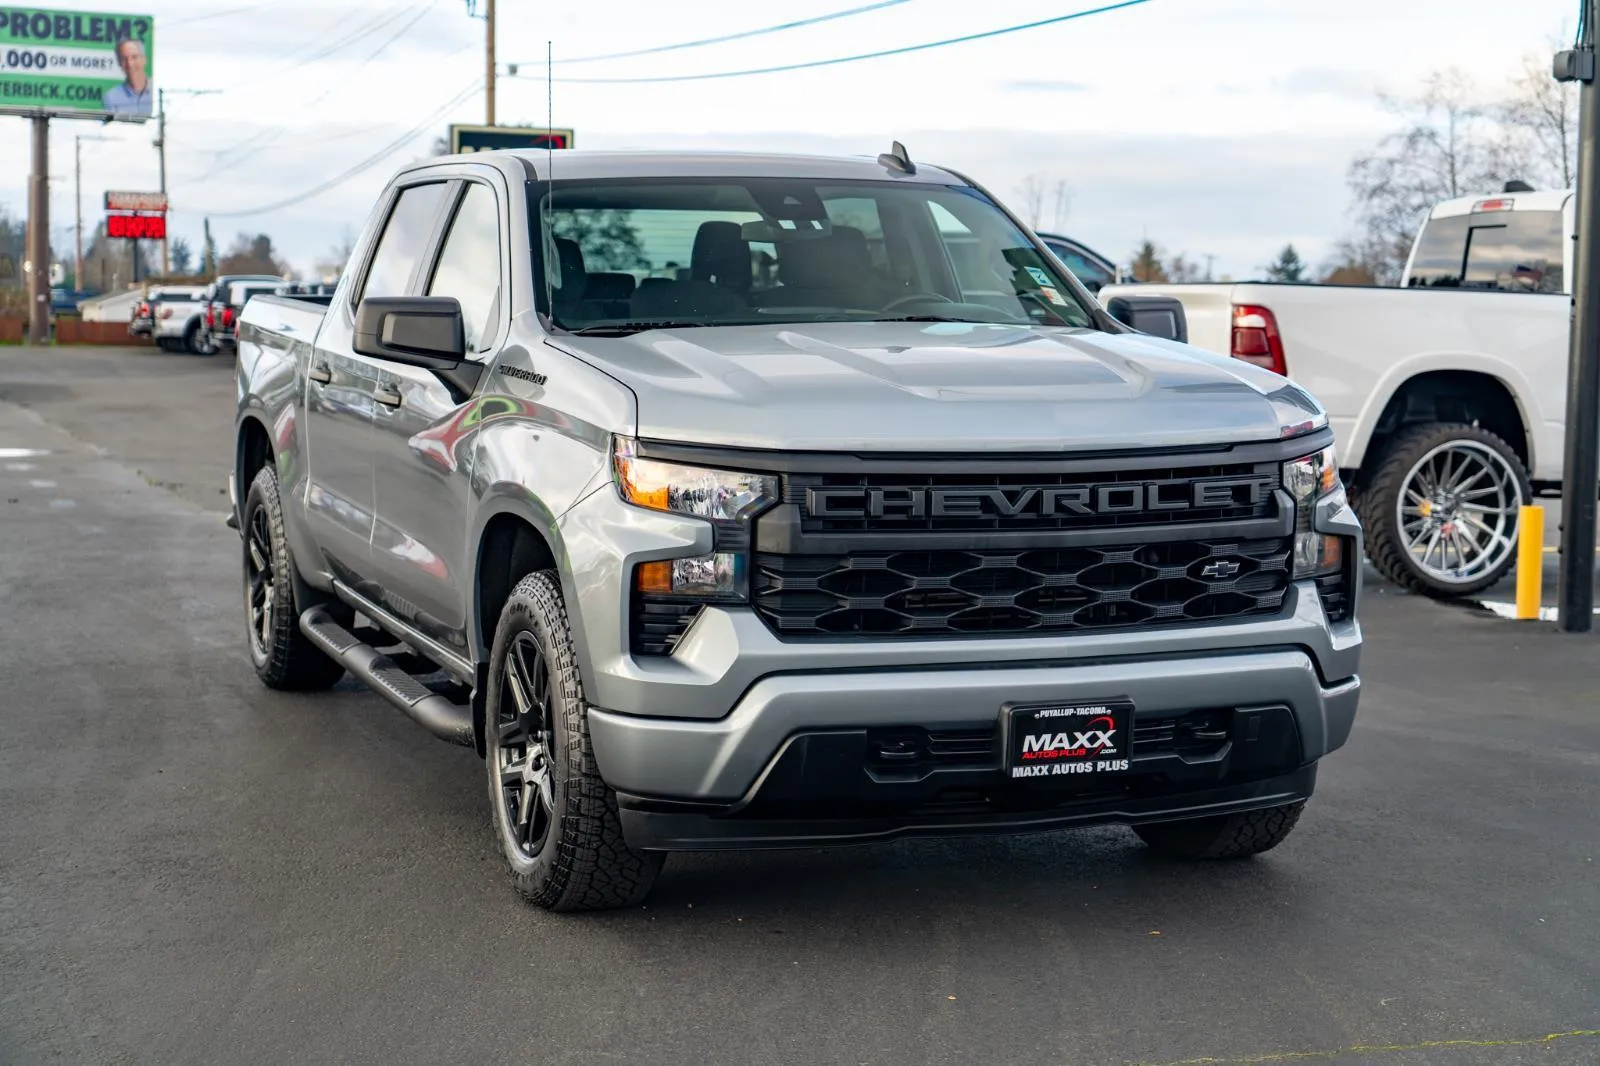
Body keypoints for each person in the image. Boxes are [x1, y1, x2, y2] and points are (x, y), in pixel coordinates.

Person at [102, 38, 152, 116]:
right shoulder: (111, 97)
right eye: (124, 59)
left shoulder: (157, 90)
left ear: (144, 59)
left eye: (134, 57)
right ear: (119, 64)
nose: (130, 64)